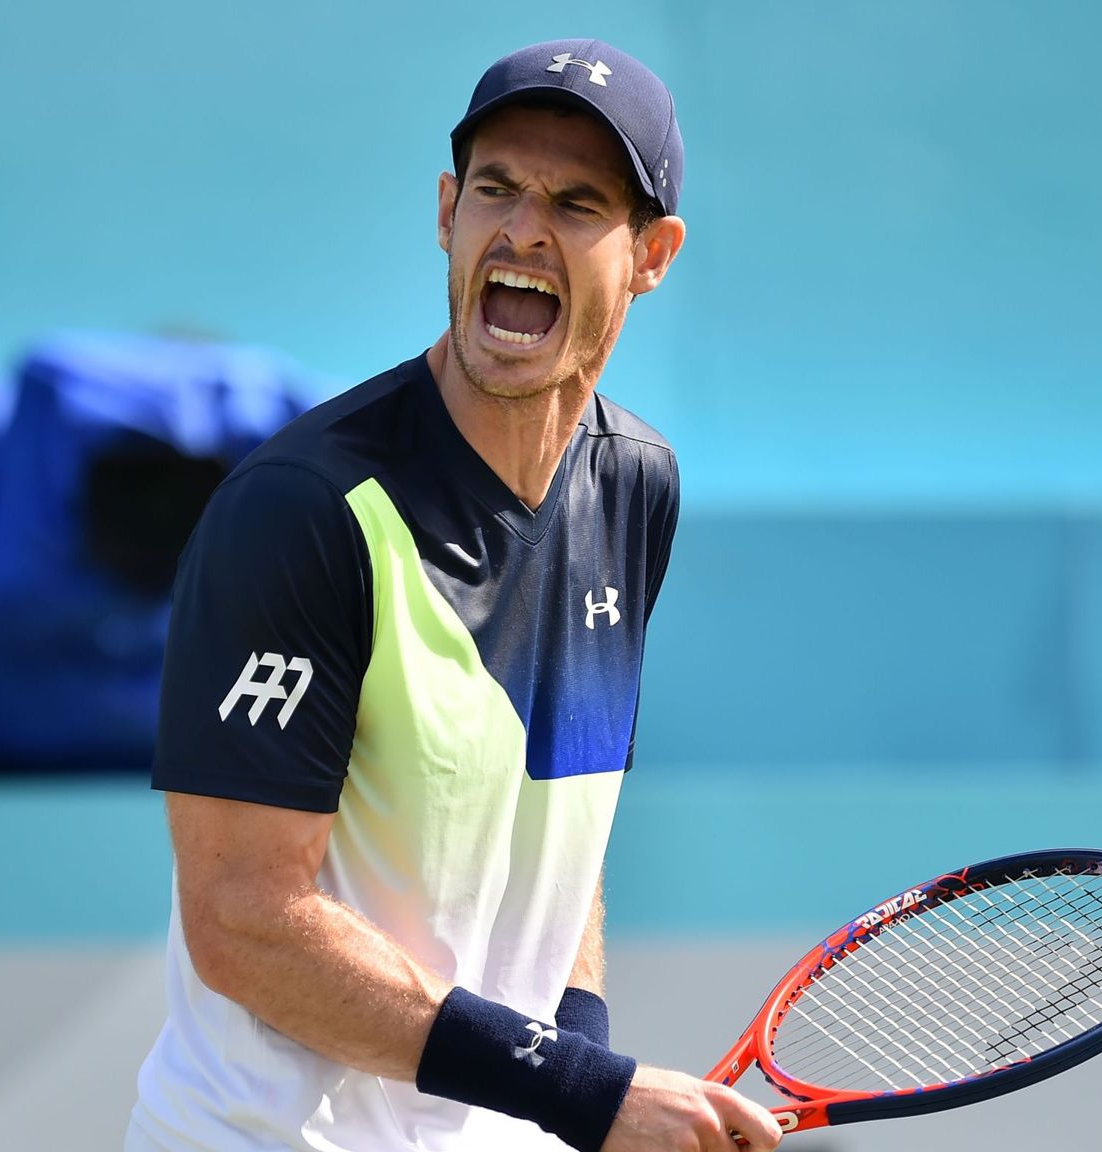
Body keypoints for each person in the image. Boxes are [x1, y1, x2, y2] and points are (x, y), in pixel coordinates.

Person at [127, 38, 782, 1152]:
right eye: (495, 188)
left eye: (576, 203)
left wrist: (574, 1082)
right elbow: (243, 919)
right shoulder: (301, 511)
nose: (522, 229)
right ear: (445, 212)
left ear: (651, 255)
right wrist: (582, 1092)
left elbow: (555, 832)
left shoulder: (633, 489)